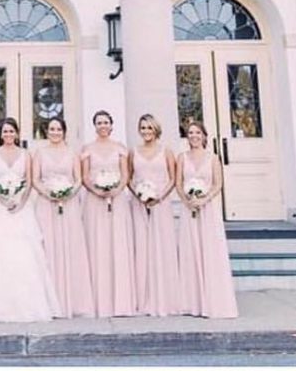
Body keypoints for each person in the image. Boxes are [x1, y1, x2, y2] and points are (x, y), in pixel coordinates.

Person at [0, 116, 60, 322]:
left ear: (17, 133)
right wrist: (2, 199)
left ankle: (26, 304)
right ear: (0, 134)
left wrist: (21, 201)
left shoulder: (26, 155)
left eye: (11, 131)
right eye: (5, 131)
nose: (8, 135)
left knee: (23, 254)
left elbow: (29, 182)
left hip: (20, 209)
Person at [32, 115, 96, 318]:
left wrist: (68, 192)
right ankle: (48, 301)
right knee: (48, 247)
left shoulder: (72, 153)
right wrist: (48, 193)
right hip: (45, 204)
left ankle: (72, 300)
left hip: (68, 205)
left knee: (70, 247)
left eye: (58, 129)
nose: (55, 132)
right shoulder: (39, 153)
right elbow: (35, 179)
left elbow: (78, 179)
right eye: (51, 129)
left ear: (64, 132)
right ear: (46, 132)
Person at [175, 120, 238, 319]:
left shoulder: (213, 158)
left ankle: (213, 300)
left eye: (197, 133)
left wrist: (203, 199)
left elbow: (218, 184)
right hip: (189, 208)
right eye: (190, 133)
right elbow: (178, 183)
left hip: (208, 209)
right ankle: (192, 302)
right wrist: (188, 200)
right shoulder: (182, 158)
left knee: (210, 251)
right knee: (190, 251)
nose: (193, 136)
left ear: (204, 135)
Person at [81, 109, 136, 316]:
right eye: (99, 123)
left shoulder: (120, 148)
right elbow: (85, 176)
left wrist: (115, 190)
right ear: (94, 126)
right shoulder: (87, 149)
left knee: (117, 243)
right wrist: (97, 190)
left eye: (106, 122)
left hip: (117, 200)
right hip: (94, 202)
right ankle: (97, 299)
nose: (103, 126)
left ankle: (120, 299)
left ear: (111, 125)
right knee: (97, 243)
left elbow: (125, 175)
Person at [129, 114, 181, 316]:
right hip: (139, 203)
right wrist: (139, 194)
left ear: (156, 130)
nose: (146, 132)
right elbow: (130, 178)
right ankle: (143, 296)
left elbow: (173, 178)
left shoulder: (166, 151)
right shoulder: (134, 152)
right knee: (142, 247)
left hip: (161, 202)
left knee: (162, 246)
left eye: (149, 128)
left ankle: (166, 296)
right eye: (143, 128)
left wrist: (159, 196)